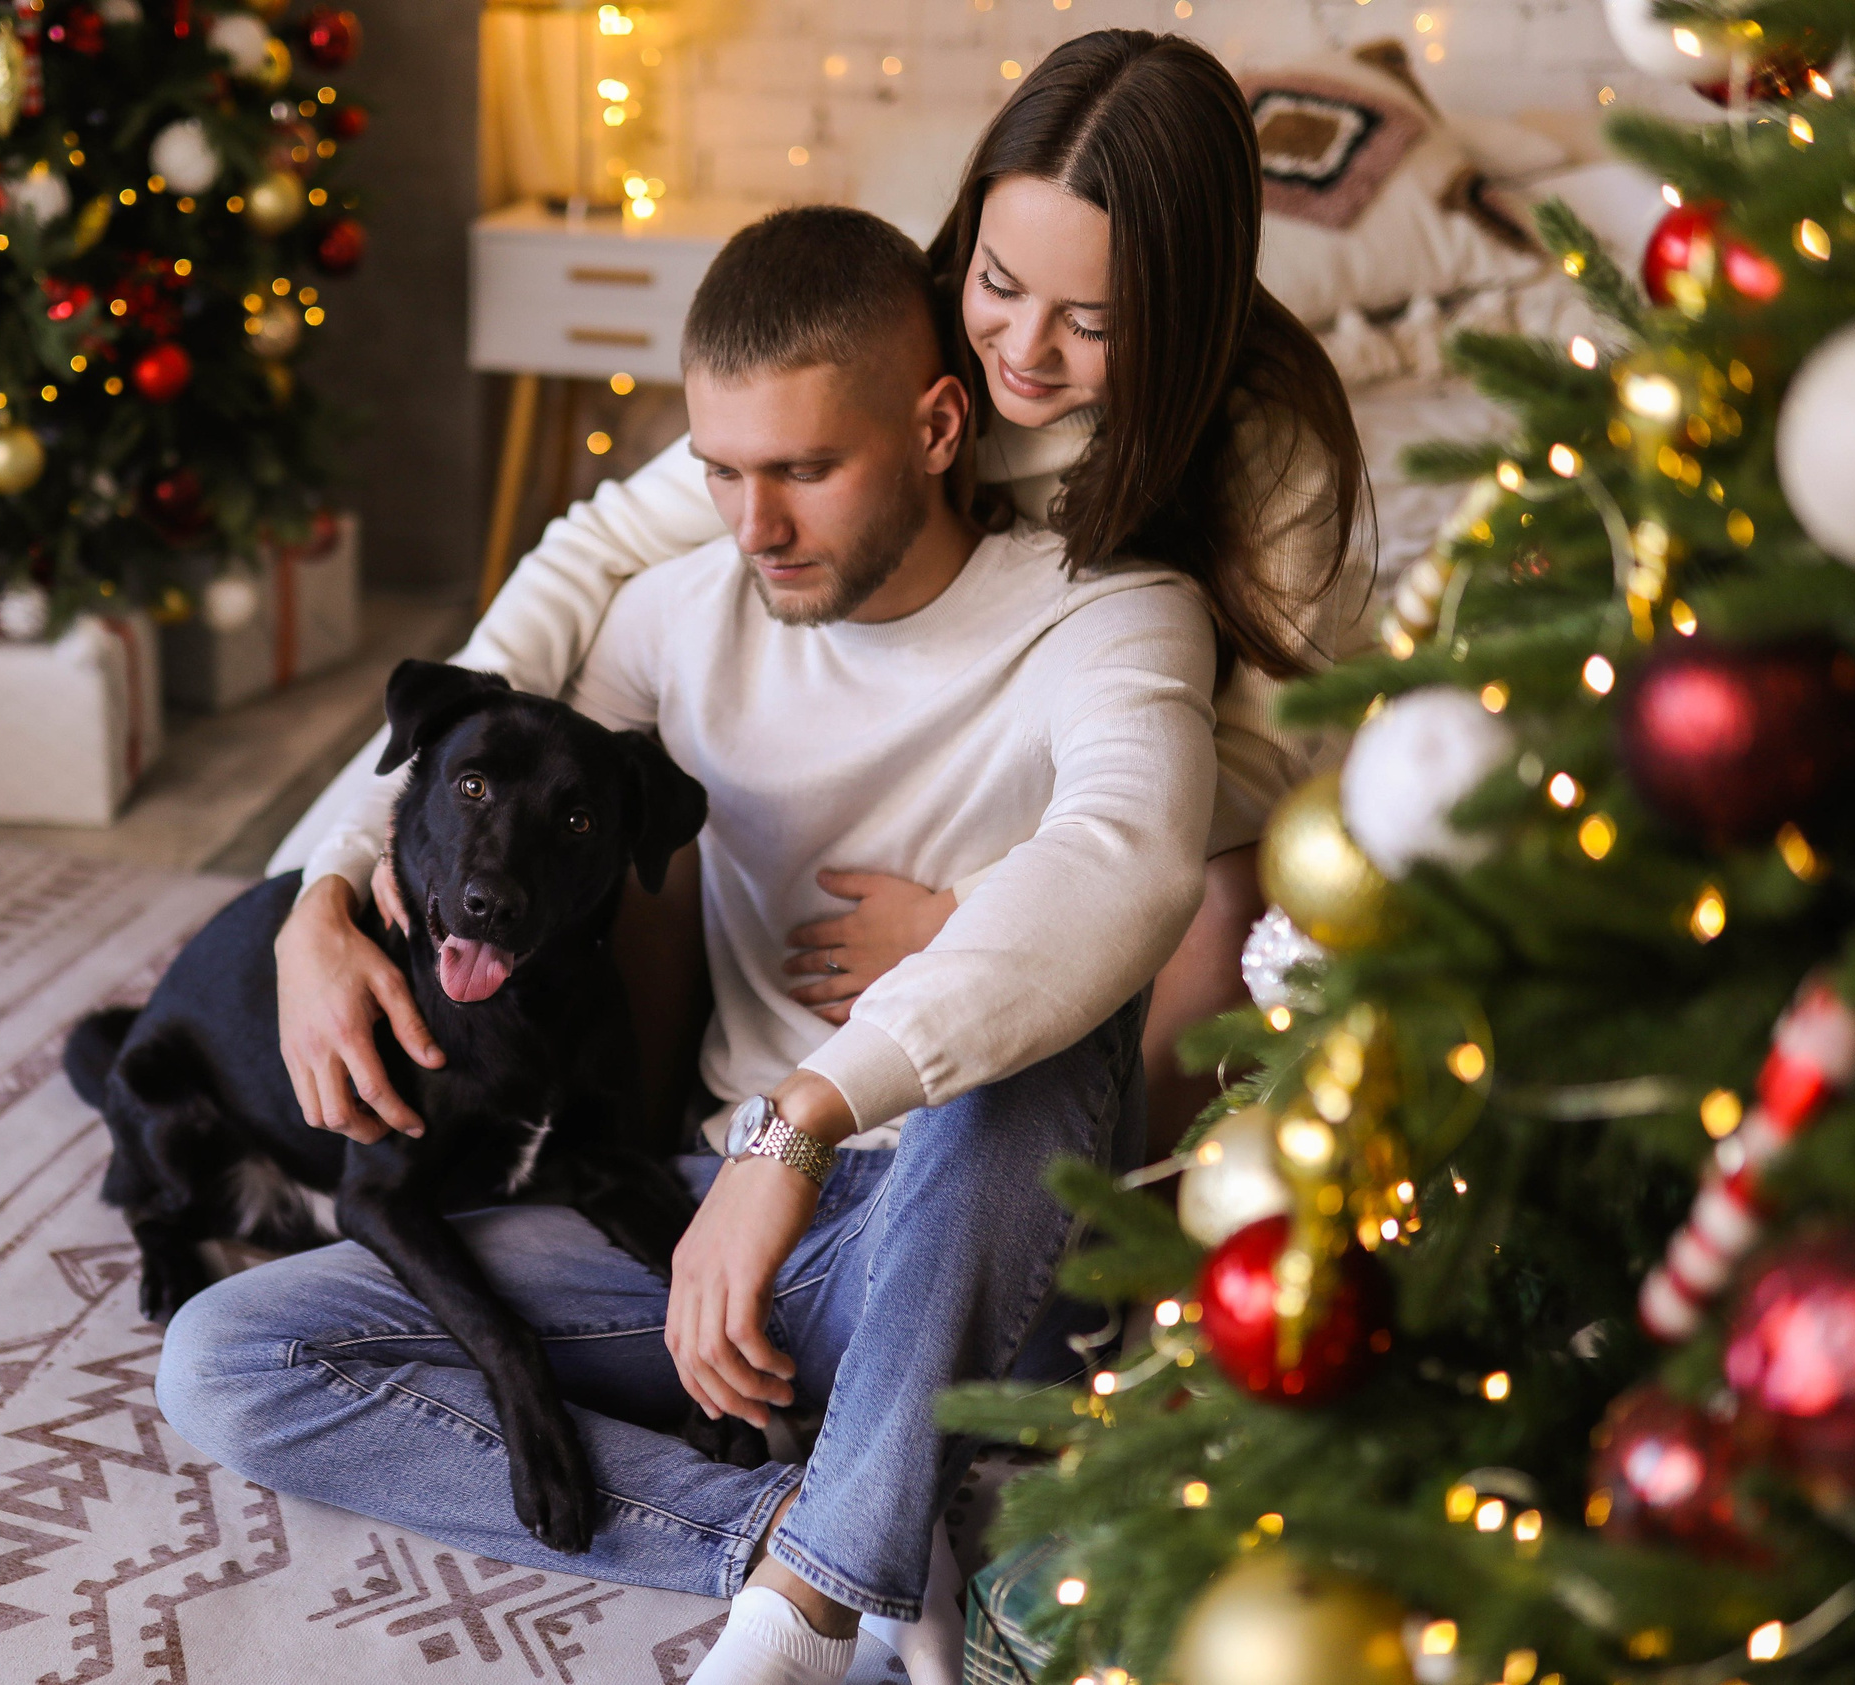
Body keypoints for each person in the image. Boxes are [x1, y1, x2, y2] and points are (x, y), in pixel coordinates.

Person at [160, 205, 1215, 1685]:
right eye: (721, 470)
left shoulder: (1117, 617)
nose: (753, 524)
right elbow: (496, 755)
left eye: (804, 471)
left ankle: (803, 1615)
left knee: (1051, 1018)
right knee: (229, 1357)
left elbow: (1126, 861)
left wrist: (803, 1121)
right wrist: (320, 895)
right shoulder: (670, 618)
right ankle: (811, 1530)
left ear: (935, 427)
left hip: (977, 1235)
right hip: (717, 1235)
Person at [268, 29, 1370, 1157]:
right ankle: (631, 1147)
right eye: (997, 283)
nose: (1025, 351)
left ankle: (1142, 1225)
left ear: (1187, 311)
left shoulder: (1273, 453)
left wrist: (971, 911)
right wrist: (337, 871)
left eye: (1092, 321)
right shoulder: (914, 342)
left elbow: (1248, 769)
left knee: (1223, 897)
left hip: (1118, 804)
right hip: (901, 770)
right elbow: (595, 549)